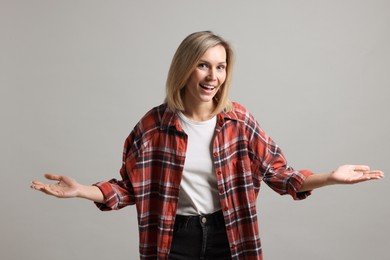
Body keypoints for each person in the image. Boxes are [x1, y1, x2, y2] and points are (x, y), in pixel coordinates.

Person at [31, 31, 384, 260]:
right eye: (203, 65)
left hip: (229, 233)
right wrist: (82, 191)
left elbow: (281, 176)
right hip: (172, 240)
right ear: (185, 69)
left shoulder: (239, 121)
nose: (213, 76)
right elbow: (127, 188)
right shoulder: (154, 125)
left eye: (220, 67)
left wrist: (331, 178)